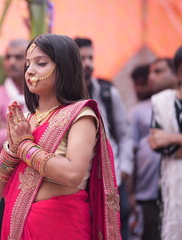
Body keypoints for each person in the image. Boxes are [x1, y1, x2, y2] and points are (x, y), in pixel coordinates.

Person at [0, 34, 121, 240]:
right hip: (22, 226)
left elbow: (72, 174)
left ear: (64, 67)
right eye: (27, 65)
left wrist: (24, 147)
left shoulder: (81, 115)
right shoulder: (25, 121)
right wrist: (12, 150)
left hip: (62, 226)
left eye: (40, 63)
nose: (30, 71)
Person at [74, 37, 133, 240]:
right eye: (82, 58)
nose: (88, 63)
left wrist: (124, 170)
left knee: (116, 231)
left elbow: (125, 135)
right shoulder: (64, 98)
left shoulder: (108, 93)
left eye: (91, 57)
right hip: (81, 185)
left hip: (114, 181)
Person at [0, 39, 29, 239]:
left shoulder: (40, 94)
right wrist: (28, 126)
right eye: (8, 57)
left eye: (18, 57)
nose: (11, 62)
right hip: (4, 181)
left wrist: (8, 127)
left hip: (34, 181)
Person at [149, 46, 182, 240]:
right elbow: (160, 145)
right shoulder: (161, 102)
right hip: (173, 183)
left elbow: (168, 142)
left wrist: (174, 137)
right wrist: (168, 142)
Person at [129, 64, 161, 240]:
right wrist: (131, 192)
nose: (138, 89)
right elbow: (132, 153)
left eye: (142, 84)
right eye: (135, 84)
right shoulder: (136, 111)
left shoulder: (167, 105)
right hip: (145, 191)